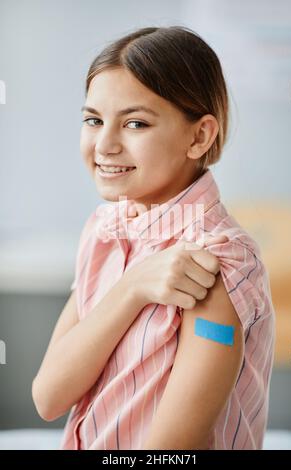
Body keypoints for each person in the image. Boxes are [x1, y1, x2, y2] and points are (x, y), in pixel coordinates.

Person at [32, 25, 275, 450]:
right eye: (93, 119)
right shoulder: (105, 230)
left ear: (199, 136)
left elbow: (173, 451)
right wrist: (133, 287)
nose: (105, 144)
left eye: (135, 123)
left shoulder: (216, 258)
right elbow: (49, 396)